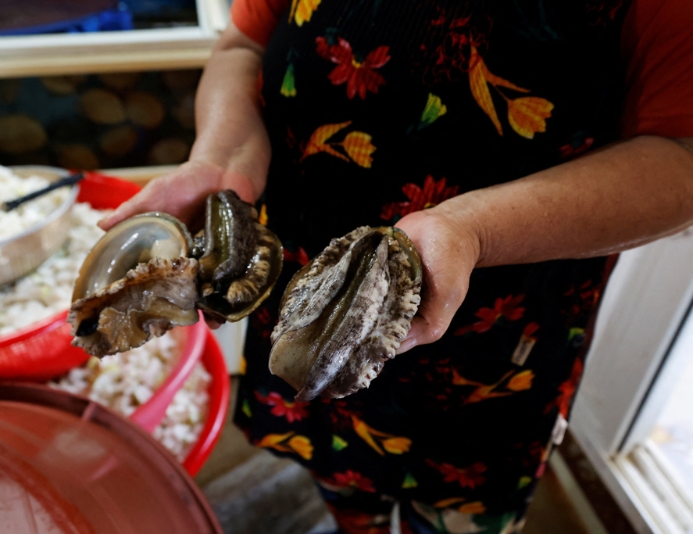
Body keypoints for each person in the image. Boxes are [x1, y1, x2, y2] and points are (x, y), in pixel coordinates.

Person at [100, 0, 693, 531]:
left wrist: (475, 230)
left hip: (496, 338)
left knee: (456, 511)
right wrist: (224, 155)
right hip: (307, 307)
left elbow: (680, 158)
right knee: (335, 469)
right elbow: (243, 45)